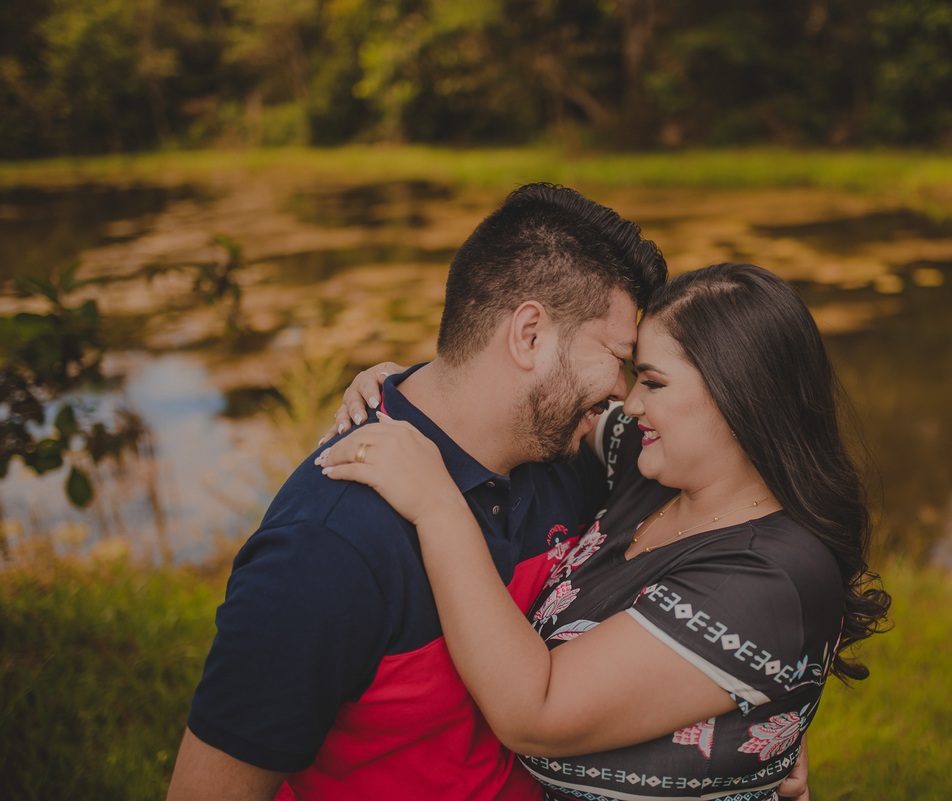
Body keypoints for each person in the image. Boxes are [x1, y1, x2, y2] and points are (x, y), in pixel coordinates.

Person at [167, 183, 670, 801]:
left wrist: (762, 727)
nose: (623, 390)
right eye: (616, 357)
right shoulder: (326, 548)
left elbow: (739, 499)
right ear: (530, 335)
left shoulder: (569, 454)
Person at [319, 262, 891, 800]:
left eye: (653, 382)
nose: (630, 401)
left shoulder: (771, 576)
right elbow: (542, 400)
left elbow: (534, 713)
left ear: (742, 399)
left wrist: (440, 508)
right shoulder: (651, 467)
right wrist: (426, 389)